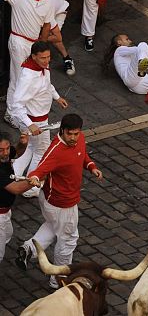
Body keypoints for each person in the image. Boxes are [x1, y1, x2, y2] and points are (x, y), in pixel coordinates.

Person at [8, 114, 102, 289]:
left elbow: (83, 156)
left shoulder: (79, 139)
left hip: (56, 202)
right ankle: (60, 280)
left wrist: (91, 167)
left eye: (76, 134)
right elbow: (40, 169)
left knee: (53, 226)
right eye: (70, 134)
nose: (73, 138)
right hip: (61, 203)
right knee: (68, 239)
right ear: (62, 131)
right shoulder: (56, 151)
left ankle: (29, 249)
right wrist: (34, 177)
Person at [8, 41, 68, 198]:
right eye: (43, 58)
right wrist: (30, 125)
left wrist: (56, 97)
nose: (47, 61)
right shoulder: (28, 76)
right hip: (35, 120)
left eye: (48, 57)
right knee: (41, 152)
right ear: (34, 56)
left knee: (29, 148)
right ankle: (31, 188)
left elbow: (47, 84)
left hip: (37, 118)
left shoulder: (41, 67)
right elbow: (16, 105)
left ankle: (13, 174)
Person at [2, 0, 54, 124]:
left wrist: (42, 46)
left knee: (38, 75)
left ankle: (28, 110)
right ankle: (11, 114)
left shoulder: (48, 2)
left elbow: (46, 25)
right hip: (19, 41)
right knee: (18, 78)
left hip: (34, 44)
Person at [0, 137, 22, 262]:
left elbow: (16, 152)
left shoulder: (5, 156)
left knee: (8, 234)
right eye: (1, 150)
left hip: (5, 211)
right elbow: (16, 189)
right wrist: (33, 181)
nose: (6, 153)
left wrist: (22, 143)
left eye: (7, 148)